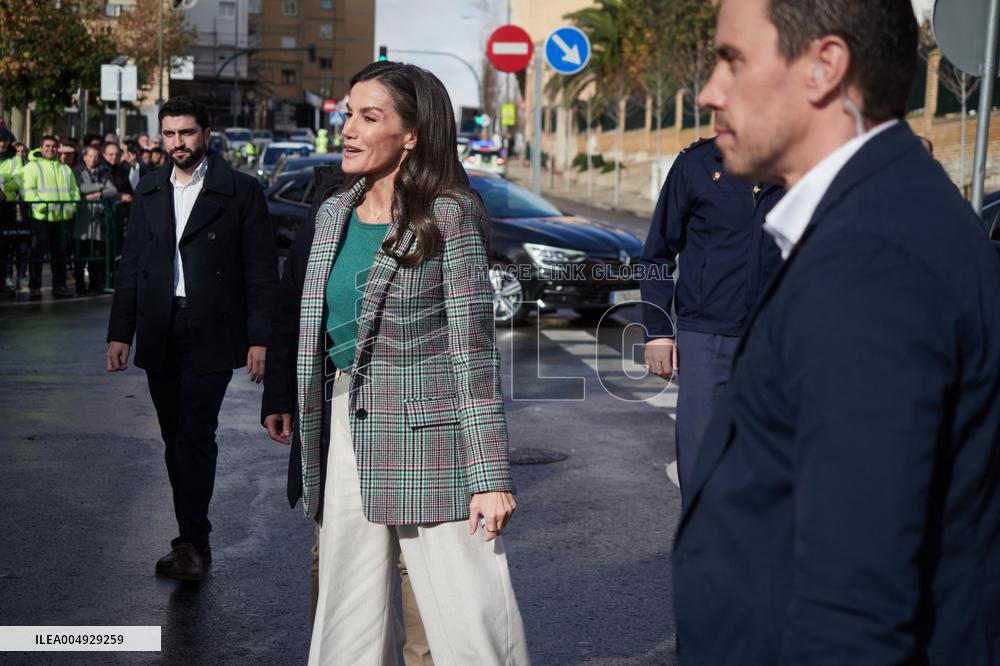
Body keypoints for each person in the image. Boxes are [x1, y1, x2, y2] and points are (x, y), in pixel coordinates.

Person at [672, 0, 1000, 663]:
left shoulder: (873, 260)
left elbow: (855, 598)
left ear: (825, 67)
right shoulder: (885, 215)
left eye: (732, 60)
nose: (710, 92)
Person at [261, 61, 529, 665]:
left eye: (369, 117)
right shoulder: (333, 213)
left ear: (412, 134)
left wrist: (488, 475)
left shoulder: (450, 214)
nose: (349, 129)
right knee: (345, 616)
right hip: (343, 424)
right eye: (347, 114)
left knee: (469, 621)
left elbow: (472, 350)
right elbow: (308, 327)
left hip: (432, 444)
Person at [106, 96, 278, 581]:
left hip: (212, 329)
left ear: (206, 133)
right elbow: (131, 266)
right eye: (170, 134)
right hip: (160, 327)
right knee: (171, 437)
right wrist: (121, 333)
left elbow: (262, 272)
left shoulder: (239, 191)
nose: (177, 143)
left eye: (186, 133)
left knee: (194, 436)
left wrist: (259, 338)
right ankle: (192, 536)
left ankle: (191, 542)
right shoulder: (150, 190)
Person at [640, 138, 782, 496]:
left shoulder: (800, 159)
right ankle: (704, 548)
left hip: (779, 339)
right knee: (702, 463)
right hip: (707, 339)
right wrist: (658, 331)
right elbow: (657, 254)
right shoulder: (697, 164)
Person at [21, 135, 79, 300]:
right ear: (41, 148)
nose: (50, 149)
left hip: (62, 219)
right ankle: (35, 288)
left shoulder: (65, 168)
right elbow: (27, 191)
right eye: (47, 146)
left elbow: (74, 191)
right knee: (37, 255)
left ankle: (60, 286)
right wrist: (42, 207)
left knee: (60, 255)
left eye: (53, 146)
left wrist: (72, 207)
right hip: (41, 219)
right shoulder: (32, 167)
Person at [73, 145, 118, 294]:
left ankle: (94, 285)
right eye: (90, 156)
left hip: (98, 222)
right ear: (84, 156)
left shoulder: (103, 172)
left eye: (96, 156)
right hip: (83, 221)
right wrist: (100, 186)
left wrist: (97, 194)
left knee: (96, 255)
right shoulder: (77, 171)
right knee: (81, 255)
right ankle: (80, 285)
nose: (93, 159)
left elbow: (113, 190)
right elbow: (81, 187)